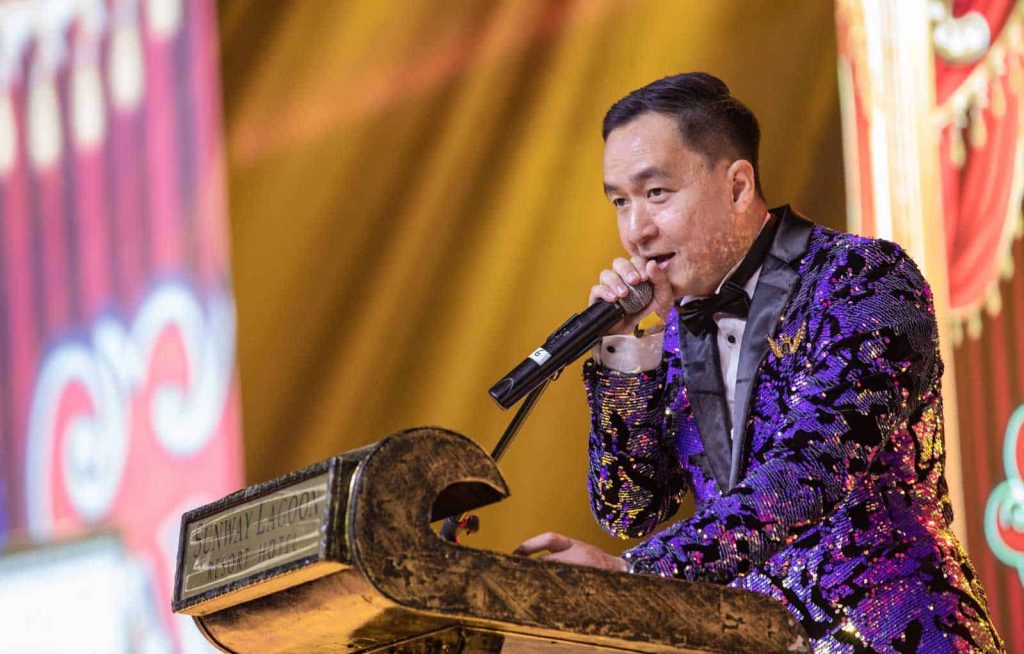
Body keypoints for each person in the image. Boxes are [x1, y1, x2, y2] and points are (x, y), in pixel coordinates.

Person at [514, 73, 1003, 653]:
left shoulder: (864, 279)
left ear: (739, 186)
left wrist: (632, 579)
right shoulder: (665, 330)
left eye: (656, 194)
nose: (635, 231)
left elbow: (810, 470)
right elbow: (628, 509)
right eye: (620, 201)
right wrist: (626, 353)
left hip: (900, 633)